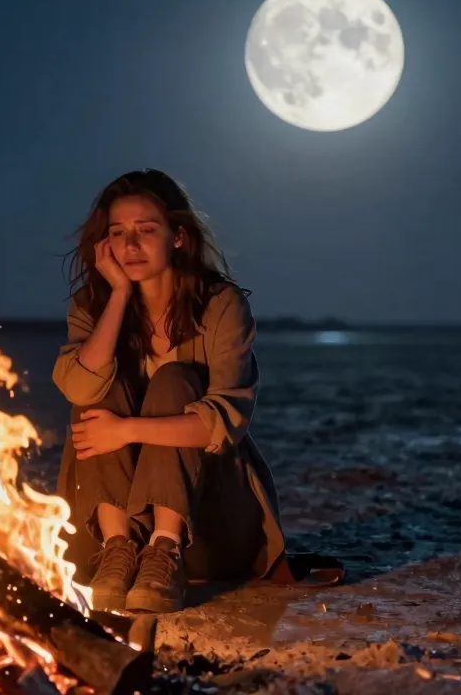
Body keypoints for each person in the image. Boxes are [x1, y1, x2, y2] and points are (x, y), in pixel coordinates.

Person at [52, 169, 286, 614]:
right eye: (118, 233)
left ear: (178, 236)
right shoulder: (92, 306)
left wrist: (125, 430)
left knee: (175, 380)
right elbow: (78, 387)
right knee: (98, 384)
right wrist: (119, 295)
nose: (131, 246)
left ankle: (164, 550)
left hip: (206, 525)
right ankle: (118, 549)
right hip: (106, 534)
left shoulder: (221, 304)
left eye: (146, 230)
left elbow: (223, 423)